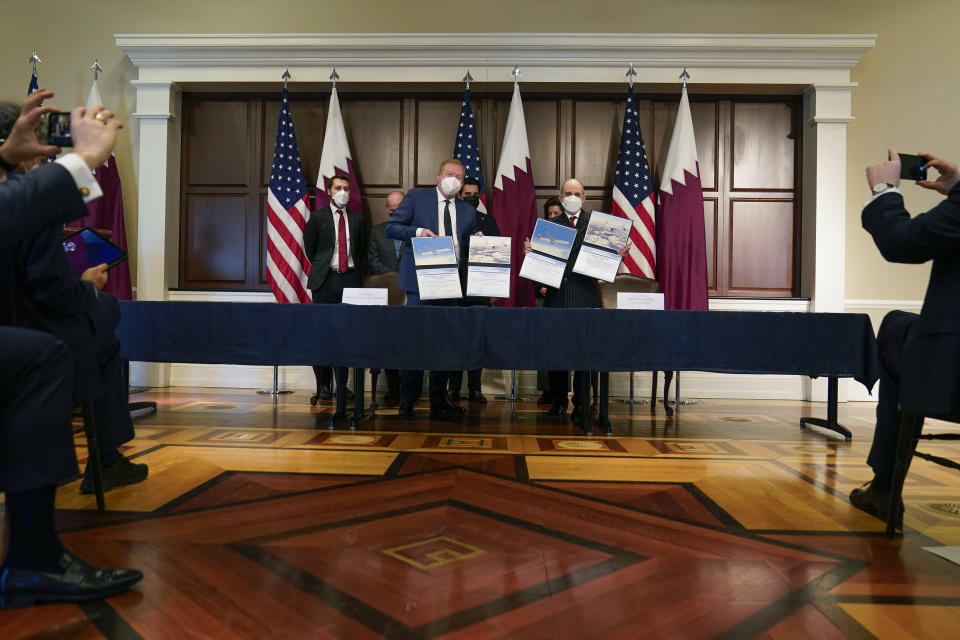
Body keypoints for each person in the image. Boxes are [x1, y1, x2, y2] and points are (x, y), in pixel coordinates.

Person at [0, 89, 142, 606]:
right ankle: (35, 559)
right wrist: (82, 161)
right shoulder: (31, 202)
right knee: (52, 352)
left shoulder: (15, 179)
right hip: (52, 324)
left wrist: (6, 158)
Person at [849, 149, 960, 526]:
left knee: (896, 328)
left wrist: (885, 189)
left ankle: (885, 486)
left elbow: (902, 243)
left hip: (952, 376)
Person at [524, 179, 630, 426]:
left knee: (585, 356)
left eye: (577, 193)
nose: (572, 197)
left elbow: (604, 267)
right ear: (560, 198)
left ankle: (582, 403)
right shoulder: (549, 226)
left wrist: (616, 255)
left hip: (586, 297)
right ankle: (559, 401)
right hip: (557, 299)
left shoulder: (599, 226)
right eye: (568, 193)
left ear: (584, 198)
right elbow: (537, 275)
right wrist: (532, 257)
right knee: (556, 355)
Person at [386, 158, 480, 418]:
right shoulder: (417, 197)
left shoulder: (468, 212)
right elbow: (392, 229)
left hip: (450, 284)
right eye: (450, 174)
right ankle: (408, 398)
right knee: (415, 341)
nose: (454, 180)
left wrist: (480, 243)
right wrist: (418, 232)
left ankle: (439, 400)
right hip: (419, 283)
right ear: (439, 177)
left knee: (444, 345)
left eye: (459, 177)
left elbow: (469, 247)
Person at [304, 174, 367, 421]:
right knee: (323, 334)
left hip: (350, 279)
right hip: (325, 280)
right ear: (329, 191)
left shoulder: (358, 219)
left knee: (348, 334)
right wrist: (325, 267)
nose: (342, 192)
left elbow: (359, 250)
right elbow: (311, 248)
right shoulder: (317, 217)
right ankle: (324, 386)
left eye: (346, 189)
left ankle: (344, 385)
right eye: (337, 188)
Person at [448, 176, 499, 404]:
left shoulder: (489, 222)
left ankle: (475, 388)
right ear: (459, 196)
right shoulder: (451, 219)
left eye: (475, 194)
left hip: (480, 288)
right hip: (453, 287)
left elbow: (499, 256)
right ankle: (453, 388)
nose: (471, 197)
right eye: (466, 194)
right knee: (455, 339)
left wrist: (494, 290)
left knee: (477, 339)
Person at [367, 190, 405, 406]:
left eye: (399, 208)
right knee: (389, 344)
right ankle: (393, 389)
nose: (395, 212)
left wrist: (404, 279)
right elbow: (373, 260)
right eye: (392, 209)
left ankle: (409, 389)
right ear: (386, 209)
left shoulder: (417, 232)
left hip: (410, 295)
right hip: (386, 296)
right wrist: (393, 278)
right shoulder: (377, 232)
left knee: (409, 344)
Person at [534, 197, 564, 405]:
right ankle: (546, 390)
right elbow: (534, 266)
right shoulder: (541, 236)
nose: (552, 217)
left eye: (556, 214)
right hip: (544, 298)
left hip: (564, 297)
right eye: (549, 214)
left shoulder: (570, 235)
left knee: (563, 347)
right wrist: (540, 287)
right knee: (544, 345)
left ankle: (562, 392)